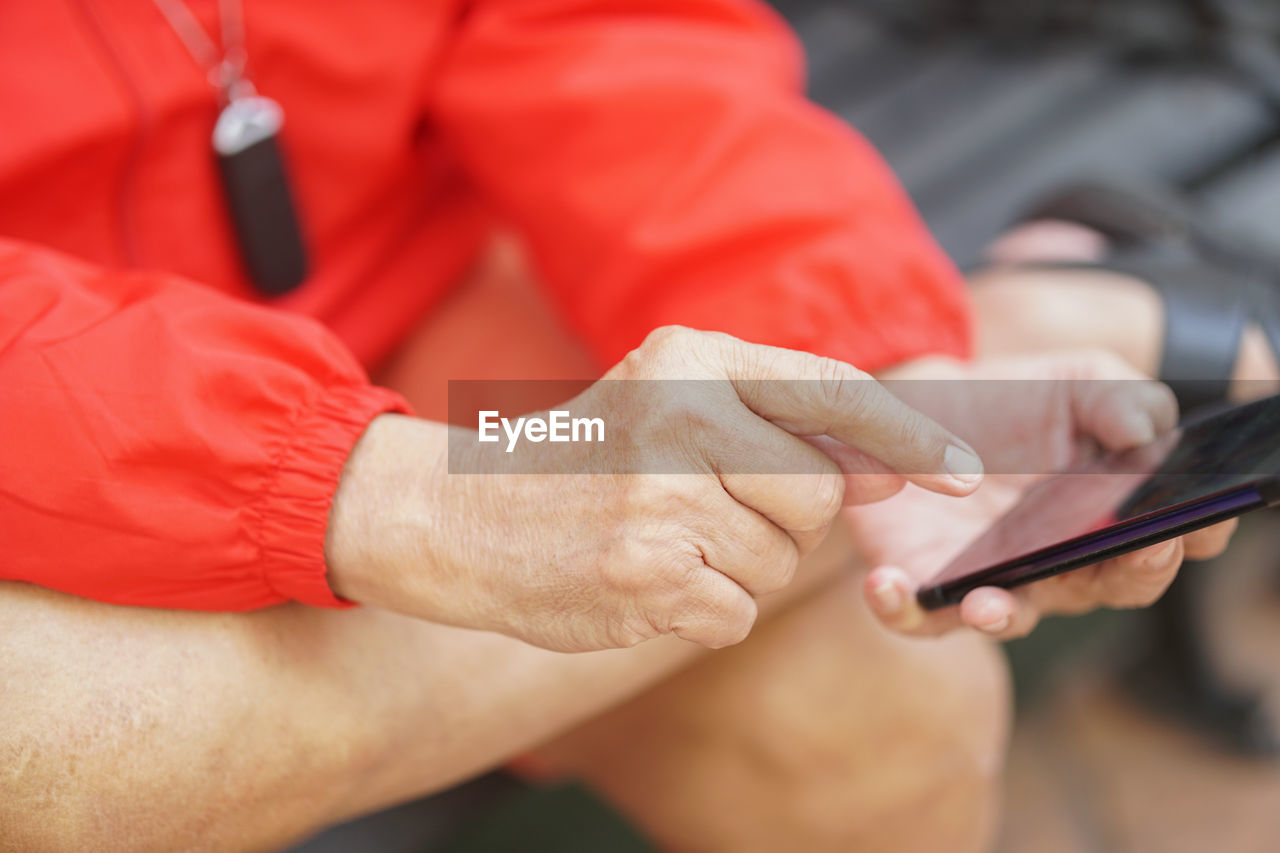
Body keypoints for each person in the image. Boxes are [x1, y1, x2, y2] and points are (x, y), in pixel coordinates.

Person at [0, 2, 1239, 850]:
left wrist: (865, 354)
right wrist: (374, 490)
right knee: (86, 738)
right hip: (76, 441)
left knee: (875, 716)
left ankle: (927, 373)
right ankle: (1007, 320)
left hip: (415, 333)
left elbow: (597, 25)